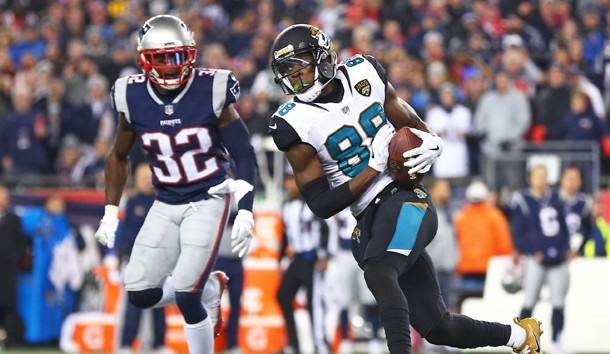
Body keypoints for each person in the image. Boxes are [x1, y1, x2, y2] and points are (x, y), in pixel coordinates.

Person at [268, 24, 542, 354]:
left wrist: (432, 141)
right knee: (438, 327)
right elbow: (322, 204)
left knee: (380, 271)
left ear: (324, 60)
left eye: (301, 70)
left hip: (407, 197)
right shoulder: (293, 123)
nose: (295, 81)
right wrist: (373, 166)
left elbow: (407, 118)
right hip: (367, 217)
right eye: (289, 75)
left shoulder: (363, 72)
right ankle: (521, 336)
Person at [94, 15, 257, 354]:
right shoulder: (131, 94)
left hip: (209, 196)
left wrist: (245, 209)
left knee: (186, 292)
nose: (170, 67)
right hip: (165, 201)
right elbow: (117, 155)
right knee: (139, 292)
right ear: (143, 59)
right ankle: (210, 288)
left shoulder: (211, 87)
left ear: (192, 53)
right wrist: (111, 211)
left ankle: (201, 303)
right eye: (161, 58)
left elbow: (243, 152)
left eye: (178, 56)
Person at [509, 165, 570, 352]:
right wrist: (529, 249)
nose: (541, 180)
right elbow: (517, 230)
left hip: (557, 258)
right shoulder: (522, 199)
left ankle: (557, 342)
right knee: (529, 300)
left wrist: (565, 248)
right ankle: (521, 342)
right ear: (530, 178)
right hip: (535, 258)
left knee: (558, 302)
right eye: (538, 176)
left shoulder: (556, 197)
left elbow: (564, 226)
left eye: (544, 176)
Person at [116, 163, 172, 354]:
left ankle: (159, 344)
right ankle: (126, 344)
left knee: (159, 304)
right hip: (136, 261)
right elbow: (125, 232)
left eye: (148, 176)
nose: (145, 180)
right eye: (141, 176)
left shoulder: (162, 201)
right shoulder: (132, 202)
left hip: (158, 260)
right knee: (133, 304)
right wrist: (120, 256)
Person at [276, 171, 334, 354]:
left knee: (314, 303)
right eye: (287, 182)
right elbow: (285, 235)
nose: (289, 185)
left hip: (312, 258)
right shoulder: (286, 205)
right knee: (282, 295)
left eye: (292, 181)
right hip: (297, 258)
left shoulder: (311, 202)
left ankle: (320, 345)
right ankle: (294, 345)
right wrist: (280, 259)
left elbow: (325, 228)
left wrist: (323, 256)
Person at [324, 207, 382, 354]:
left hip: (365, 253)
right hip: (343, 253)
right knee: (344, 300)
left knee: (369, 298)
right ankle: (345, 339)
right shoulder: (340, 200)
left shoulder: (367, 198)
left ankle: (374, 338)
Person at [454, 180, 513, 308]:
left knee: (465, 307)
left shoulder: (461, 217)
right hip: (489, 269)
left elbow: (455, 244)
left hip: (466, 270)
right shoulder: (495, 216)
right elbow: (504, 245)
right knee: (487, 309)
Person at [0, 185, 27, 345]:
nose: (4, 199)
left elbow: (21, 243)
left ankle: (12, 340)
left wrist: (14, 258)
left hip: (8, 270)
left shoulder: (14, 219)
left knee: (9, 304)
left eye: (5, 196)